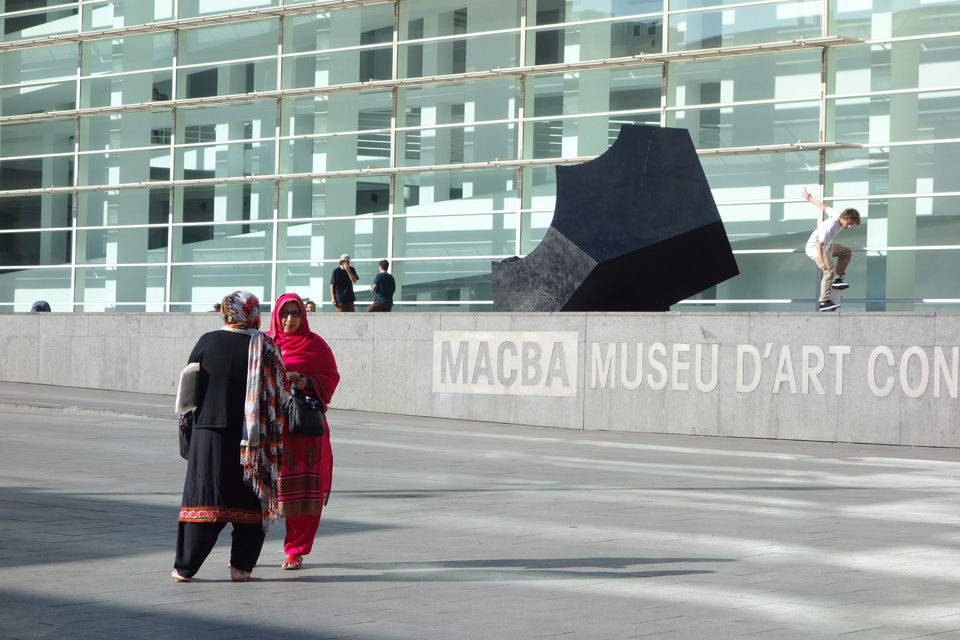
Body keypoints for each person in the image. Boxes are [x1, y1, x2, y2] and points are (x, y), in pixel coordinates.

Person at [172, 291, 291, 583]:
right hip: (252, 441)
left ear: (227, 313)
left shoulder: (207, 341)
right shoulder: (265, 345)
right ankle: (241, 568)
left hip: (208, 434)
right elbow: (283, 394)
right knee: (252, 502)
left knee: (205, 499)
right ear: (253, 312)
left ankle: (185, 568)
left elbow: (188, 392)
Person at [270, 293, 340, 571]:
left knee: (303, 491)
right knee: (260, 489)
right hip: (271, 427)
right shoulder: (265, 343)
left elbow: (331, 378)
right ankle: (244, 546)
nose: (289, 319)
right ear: (276, 314)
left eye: (295, 313)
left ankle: (295, 550)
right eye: (284, 313)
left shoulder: (315, 345)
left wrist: (307, 381)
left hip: (303, 429)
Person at [802, 188, 861, 312]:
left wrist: (810, 199)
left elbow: (824, 207)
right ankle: (823, 301)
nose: (849, 227)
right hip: (816, 249)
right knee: (828, 272)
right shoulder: (830, 228)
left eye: (851, 225)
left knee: (846, 251)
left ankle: (837, 278)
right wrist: (822, 262)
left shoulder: (837, 214)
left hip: (827, 246)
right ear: (844, 218)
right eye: (849, 223)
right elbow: (819, 244)